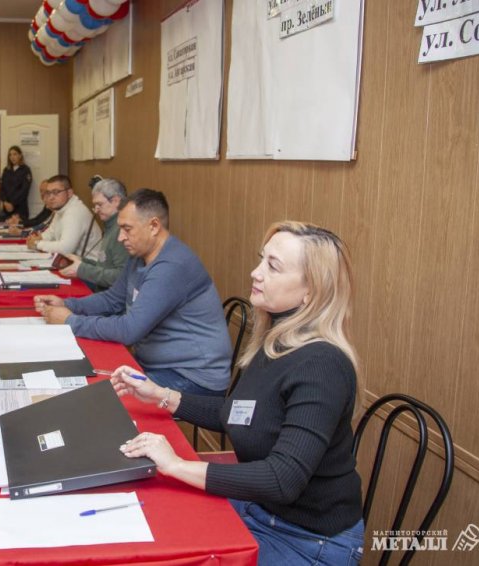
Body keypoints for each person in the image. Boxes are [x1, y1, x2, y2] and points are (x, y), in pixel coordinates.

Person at [111, 221, 364, 566]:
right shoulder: (277, 339)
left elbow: (282, 479)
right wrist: (161, 395)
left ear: (311, 292)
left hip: (307, 540)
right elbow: (239, 414)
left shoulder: (322, 365)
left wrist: (177, 465)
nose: (255, 273)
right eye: (262, 260)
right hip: (260, 510)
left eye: (272, 267)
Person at [35, 189, 232, 395]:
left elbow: (129, 330)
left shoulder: (171, 266)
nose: (120, 237)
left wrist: (69, 321)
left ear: (153, 226)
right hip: (158, 364)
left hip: (190, 376)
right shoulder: (140, 255)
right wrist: (67, 305)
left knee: (97, 394)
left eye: (127, 229)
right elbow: (113, 300)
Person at [59, 177, 130, 291]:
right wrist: (82, 261)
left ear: (116, 201)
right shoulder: (111, 225)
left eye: (100, 204)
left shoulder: (121, 229)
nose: (96, 210)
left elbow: (121, 276)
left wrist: (82, 269)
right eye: (95, 205)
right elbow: (106, 265)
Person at [26, 174, 101, 257]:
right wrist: (38, 239)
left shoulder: (74, 212)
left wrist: (37, 244)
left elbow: (66, 249)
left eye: (56, 192)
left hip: (89, 266)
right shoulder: (61, 208)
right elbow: (51, 233)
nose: (51, 197)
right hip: (74, 263)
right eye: (48, 193)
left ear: (69, 193)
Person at [0, 145, 32, 220]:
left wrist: (12, 203)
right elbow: (2, 188)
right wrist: (5, 202)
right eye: (10, 155)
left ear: (20, 156)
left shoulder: (25, 170)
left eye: (15, 154)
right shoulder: (6, 170)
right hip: (7, 209)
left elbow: (24, 190)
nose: (12, 157)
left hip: (20, 208)